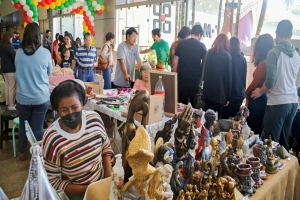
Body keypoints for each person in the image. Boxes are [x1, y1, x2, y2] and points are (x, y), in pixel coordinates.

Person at [43, 79, 113, 199]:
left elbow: (105, 147)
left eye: (75, 107)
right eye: (64, 110)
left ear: (82, 103)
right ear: (57, 111)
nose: (71, 113)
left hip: (102, 182)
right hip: (75, 192)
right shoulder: (52, 139)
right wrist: (88, 189)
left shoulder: (94, 120)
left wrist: (108, 176)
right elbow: (53, 182)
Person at [252, 20, 300, 150]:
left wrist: (260, 91)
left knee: (270, 143)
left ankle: (271, 170)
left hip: (278, 103)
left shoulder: (273, 53)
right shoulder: (296, 54)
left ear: (276, 33)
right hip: (293, 102)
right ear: (290, 35)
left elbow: (271, 81)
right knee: (283, 143)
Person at [15, 22, 52, 161]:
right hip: (40, 98)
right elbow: (48, 72)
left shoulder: (18, 53)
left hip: (22, 97)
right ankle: (37, 155)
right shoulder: (45, 52)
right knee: (37, 127)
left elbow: (18, 70)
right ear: (38, 36)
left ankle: (22, 153)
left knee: (24, 125)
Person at [245, 34, 274, 135]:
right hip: (262, 99)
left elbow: (254, 84)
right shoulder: (269, 62)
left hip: (257, 99)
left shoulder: (263, 64)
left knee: (251, 129)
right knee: (256, 130)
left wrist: (245, 94)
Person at [172, 25, 207, 107]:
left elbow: (175, 63)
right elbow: (205, 64)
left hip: (182, 79)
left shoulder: (181, 44)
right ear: (199, 34)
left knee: (181, 105)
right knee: (193, 106)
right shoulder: (202, 46)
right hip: (195, 80)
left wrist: (174, 76)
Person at [203, 33, 232, 119]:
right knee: (216, 120)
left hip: (207, 93)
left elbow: (203, 71)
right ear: (226, 43)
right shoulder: (227, 56)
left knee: (206, 118)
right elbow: (229, 79)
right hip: (220, 94)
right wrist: (228, 97)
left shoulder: (208, 53)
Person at [222, 37, 247, 119]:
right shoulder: (243, 59)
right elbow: (244, 76)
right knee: (235, 120)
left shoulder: (227, 57)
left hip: (229, 95)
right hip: (239, 94)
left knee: (225, 121)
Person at [0, 32, 16, 110]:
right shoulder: (9, 47)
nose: (11, 40)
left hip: (4, 69)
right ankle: (11, 105)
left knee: (7, 86)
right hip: (10, 70)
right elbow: (14, 58)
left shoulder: (2, 47)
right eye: (11, 38)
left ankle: (7, 103)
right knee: (12, 87)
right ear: (8, 39)